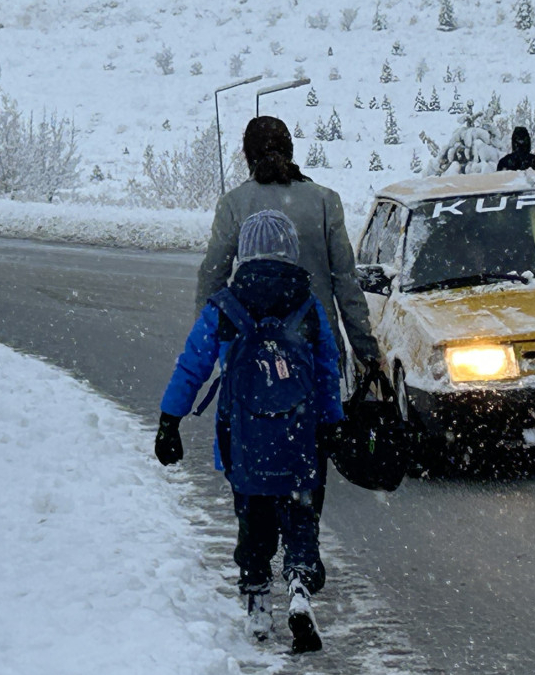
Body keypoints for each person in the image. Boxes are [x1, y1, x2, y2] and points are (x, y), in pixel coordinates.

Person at [157, 210, 343, 653]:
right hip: (300, 438)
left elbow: (192, 365)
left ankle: (258, 601)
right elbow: (327, 368)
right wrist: (332, 423)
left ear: (244, 252)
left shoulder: (225, 305)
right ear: (291, 249)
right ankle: (299, 584)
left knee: (253, 523)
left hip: (243, 442)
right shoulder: (308, 303)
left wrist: (170, 421)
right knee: (300, 517)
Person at [196, 116, 380, 519]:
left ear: (247, 155)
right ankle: (303, 545)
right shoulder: (324, 201)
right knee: (311, 450)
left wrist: (211, 341)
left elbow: (212, 276)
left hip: (250, 356)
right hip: (315, 351)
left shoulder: (234, 205)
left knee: (252, 446)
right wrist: (367, 348)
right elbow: (346, 283)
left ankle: (256, 550)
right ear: (291, 151)